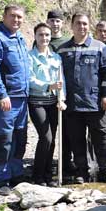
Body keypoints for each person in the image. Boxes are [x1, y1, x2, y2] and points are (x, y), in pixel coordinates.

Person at [57, 13, 106, 184]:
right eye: (78, 23)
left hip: (95, 103)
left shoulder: (100, 47)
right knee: (77, 140)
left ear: (89, 26)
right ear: (71, 25)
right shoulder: (62, 49)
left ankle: (105, 171)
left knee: (102, 139)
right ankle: (82, 171)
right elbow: (57, 75)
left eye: (84, 24)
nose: (81, 27)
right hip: (72, 105)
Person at [0, 5, 30, 195]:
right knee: (4, 139)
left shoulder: (19, 37)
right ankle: (0, 178)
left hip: (22, 97)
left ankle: (16, 173)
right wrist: (1, 94)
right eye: (12, 16)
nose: (16, 20)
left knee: (20, 137)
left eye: (19, 17)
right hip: (5, 98)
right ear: (4, 17)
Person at [28, 22, 66, 186]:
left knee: (51, 140)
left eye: (47, 35)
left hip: (53, 103)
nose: (44, 38)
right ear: (35, 37)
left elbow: (61, 80)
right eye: (41, 35)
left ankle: (48, 175)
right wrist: (47, 86)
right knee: (46, 137)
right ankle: (37, 175)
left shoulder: (56, 57)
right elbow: (29, 80)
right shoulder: (29, 57)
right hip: (37, 102)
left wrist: (62, 99)